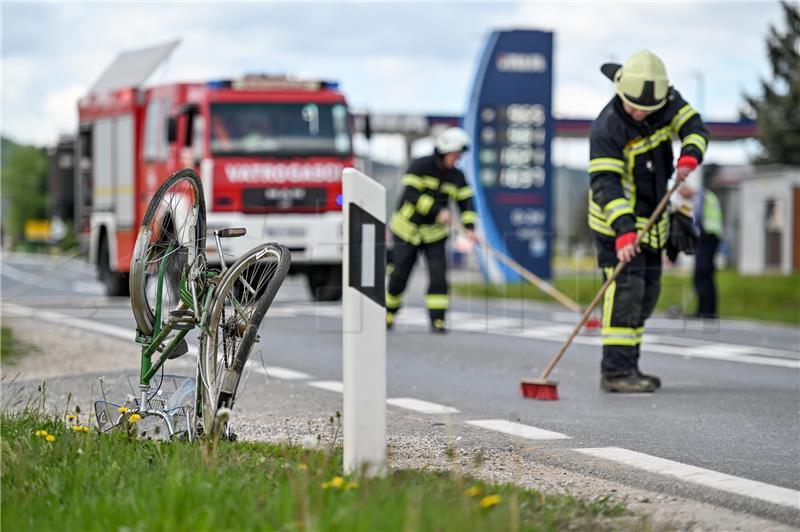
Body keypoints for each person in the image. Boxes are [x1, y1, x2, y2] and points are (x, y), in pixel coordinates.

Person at [588, 50, 709, 393]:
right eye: (633, 106)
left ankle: (631, 366)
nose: (639, 112)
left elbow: (695, 127)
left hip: (652, 219)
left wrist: (690, 155)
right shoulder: (607, 130)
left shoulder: (667, 100)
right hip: (615, 223)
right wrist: (624, 232)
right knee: (626, 291)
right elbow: (606, 186)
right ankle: (615, 372)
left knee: (647, 294)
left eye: (646, 108)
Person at [386, 127, 478, 333]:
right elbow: (411, 194)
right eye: (455, 155)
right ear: (445, 151)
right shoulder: (420, 165)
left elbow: (467, 203)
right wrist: (437, 211)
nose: (457, 159)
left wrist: (470, 227)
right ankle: (388, 313)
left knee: (438, 276)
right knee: (400, 273)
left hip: (434, 234)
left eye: (460, 156)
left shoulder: (457, 177)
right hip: (407, 230)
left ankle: (438, 320)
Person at [687, 164, 724, 319]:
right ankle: (705, 310)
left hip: (707, 236)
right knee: (704, 273)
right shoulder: (708, 195)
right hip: (712, 236)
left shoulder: (700, 196)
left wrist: (691, 234)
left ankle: (706, 311)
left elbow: (698, 217)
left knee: (702, 273)